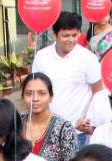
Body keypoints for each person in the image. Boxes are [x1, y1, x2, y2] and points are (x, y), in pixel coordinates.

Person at [33, 11, 103, 143]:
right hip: (47, 132)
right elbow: (34, 90)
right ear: (55, 35)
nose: (71, 40)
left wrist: (88, 118)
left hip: (77, 134)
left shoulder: (88, 59)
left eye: (74, 35)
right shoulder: (41, 57)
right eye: (65, 36)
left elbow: (98, 92)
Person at [20, 73, 79, 161]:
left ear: (51, 97)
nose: (35, 99)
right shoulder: (16, 123)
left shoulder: (63, 128)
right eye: (29, 94)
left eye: (42, 93)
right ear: (22, 97)